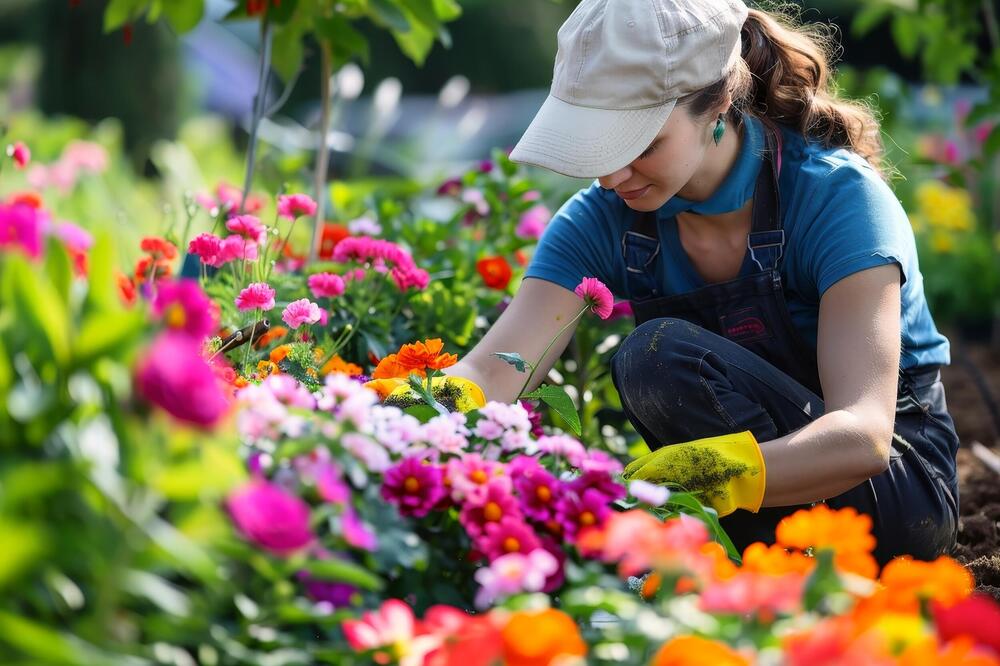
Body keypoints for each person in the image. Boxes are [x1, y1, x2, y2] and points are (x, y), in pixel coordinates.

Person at [441, 0, 959, 565]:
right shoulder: (602, 219)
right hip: (741, 526)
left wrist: (721, 473)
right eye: (599, 146)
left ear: (717, 101)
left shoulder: (836, 199)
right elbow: (495, 369)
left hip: (890, 502)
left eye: (639, 144)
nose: (612, 175)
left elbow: (864, 437)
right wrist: (395, 408)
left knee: (657, 356)